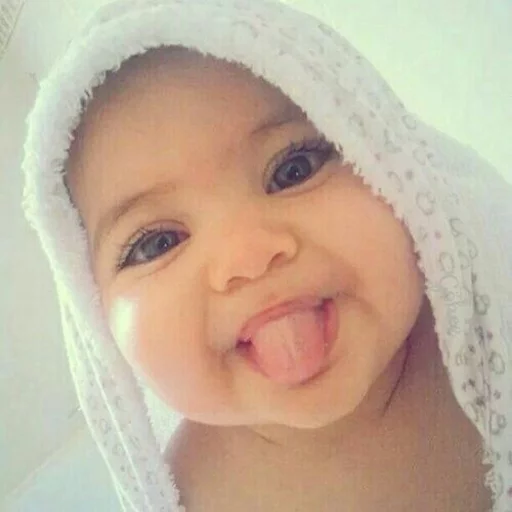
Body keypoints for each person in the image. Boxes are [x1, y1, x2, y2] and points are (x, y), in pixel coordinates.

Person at [21, 0, 512, 510]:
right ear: (96, 317)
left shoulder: (490, 322)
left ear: (391, 159)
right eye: (157, 243)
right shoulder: (189, 493)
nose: (247, 257)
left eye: (292, 170)